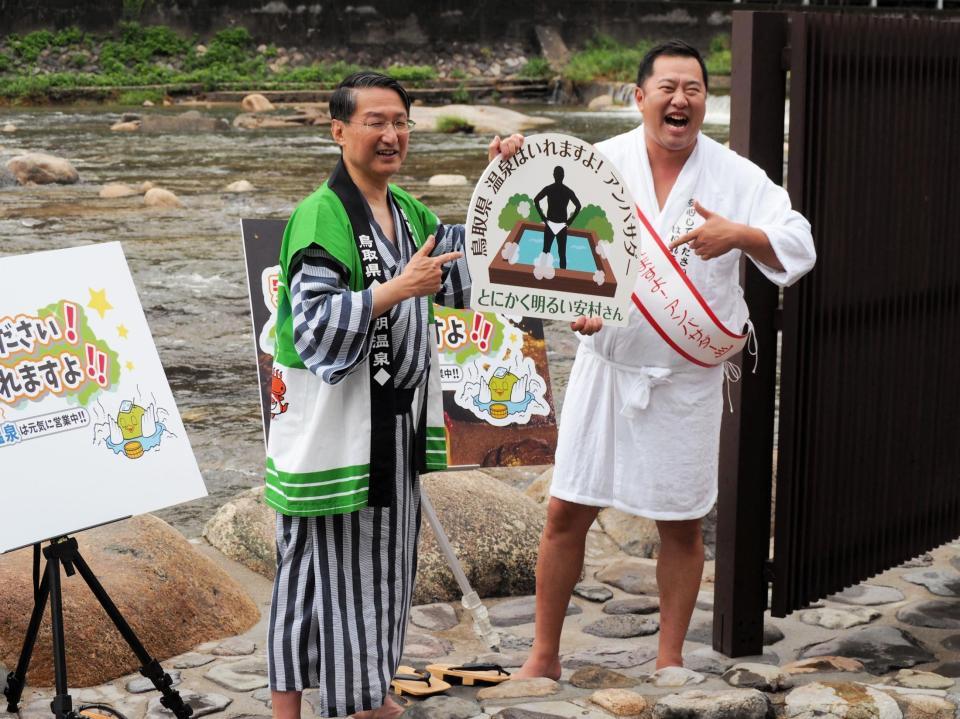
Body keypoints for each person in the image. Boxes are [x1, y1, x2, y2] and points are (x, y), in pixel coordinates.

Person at [515, 40, 816, 679]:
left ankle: (669, 658)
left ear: (706, 100)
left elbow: (799, 242)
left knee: (680, 521)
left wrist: (739, 235)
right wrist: (578, 305)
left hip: (685, 378)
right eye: (667, 88)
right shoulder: (602, 162)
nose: (680, 100)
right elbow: (543, 232)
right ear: (639, 97)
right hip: (608, 368)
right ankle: (543, 657)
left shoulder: (736, 176)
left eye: (694, 89)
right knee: (566, 508)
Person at [264, 71, 523, 719]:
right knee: (357, 581)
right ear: (339, 131)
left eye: (401, 122)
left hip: (387, 429)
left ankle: (302, 708)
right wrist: (395, 289)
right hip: (339, 435)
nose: (391, 135)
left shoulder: (407, 212)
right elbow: (317, 324)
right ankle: (358, 704)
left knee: (322, 580)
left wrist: (506, 183)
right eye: (375, 121)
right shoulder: (320, 214)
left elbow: (472, 268)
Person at [533, 165, 582, 271]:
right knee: (561, 253)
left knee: (546, 251)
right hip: (560, 224)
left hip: (552, 223)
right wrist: (570, 221)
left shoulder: (549, 189)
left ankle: (541, 274)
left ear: (554, 175)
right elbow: (578, 206)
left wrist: (543, 217)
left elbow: (536, 200)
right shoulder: (567, 191)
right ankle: (563, 278)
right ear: (563, 176)